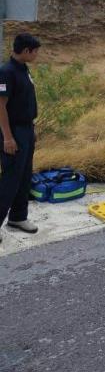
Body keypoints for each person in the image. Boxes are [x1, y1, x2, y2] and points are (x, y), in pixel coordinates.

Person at [0, 33, 41, 241]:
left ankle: (18, 217)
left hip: (25, 129)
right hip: (12, 131)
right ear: (26, 51)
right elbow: (1, 107)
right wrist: (8, 138)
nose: (36, 55)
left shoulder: (23, 69)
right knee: (10, 179)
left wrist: (31, 127)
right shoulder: (6, 72)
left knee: (24, 176)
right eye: (35, 52)